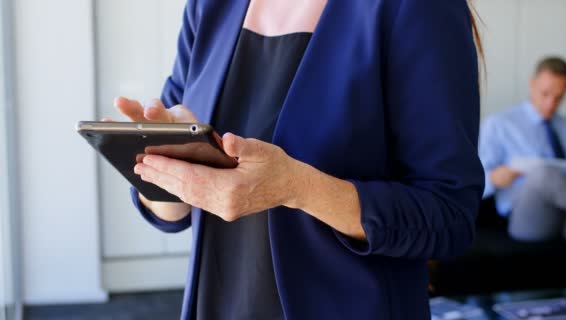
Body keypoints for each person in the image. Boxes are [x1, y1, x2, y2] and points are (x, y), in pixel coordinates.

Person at [109, 0, 484, 318]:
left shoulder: (418, 8)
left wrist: (297, 188)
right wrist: (164, 163)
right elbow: (171, 214)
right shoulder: (210, 6)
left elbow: (448, 215)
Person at [479, 56, 566, 292]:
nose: (550, 103)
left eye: (559, 97)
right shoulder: (500, 124)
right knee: (543, 174)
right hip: (528, 216)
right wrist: (496, 178)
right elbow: (475, 184)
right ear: (532, 84)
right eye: (545, 93)